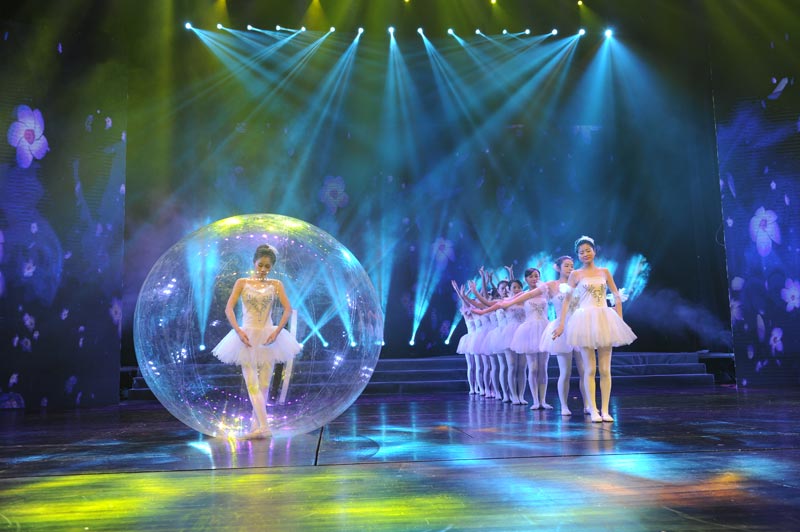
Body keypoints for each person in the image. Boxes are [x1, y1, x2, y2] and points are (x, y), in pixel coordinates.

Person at [212, 244, 302, 438]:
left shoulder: (276, 284)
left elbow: (288, 309)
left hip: (269, 336)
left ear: (271, 267)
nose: (263, 269)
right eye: (260, 264)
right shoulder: (242, 282)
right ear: (254, 262)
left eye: (267, 266)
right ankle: (265, 427)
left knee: (264, 384)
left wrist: (277, 331)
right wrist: (238, 331)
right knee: (252, 383)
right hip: (246, 336)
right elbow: (228, 309)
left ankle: (256, 428)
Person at [553, 236, 636, 423]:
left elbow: (616, 296)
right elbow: (567, 300)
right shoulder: (575, 275)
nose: (585, 254)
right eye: (581, 252)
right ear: (578, 255)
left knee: (605, 369)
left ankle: (605, 410)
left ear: (594, 251)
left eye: (587, 250)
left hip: (604, 318)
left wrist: (620, 320)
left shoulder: (604, 271)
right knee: (589, 369)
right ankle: (593, 410)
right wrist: (561, 324)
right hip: (584, 320)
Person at [539, 256, 587, 416]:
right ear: (558, 268)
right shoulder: (552, 285)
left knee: (584, 370)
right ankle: (564, 406)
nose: (570, 268)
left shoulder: (579, 284)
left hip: (580, 326)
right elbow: (533, 295)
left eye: (572, 265)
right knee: (565, 372)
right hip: (562, 327)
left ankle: (588, 405)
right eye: (566, 265)